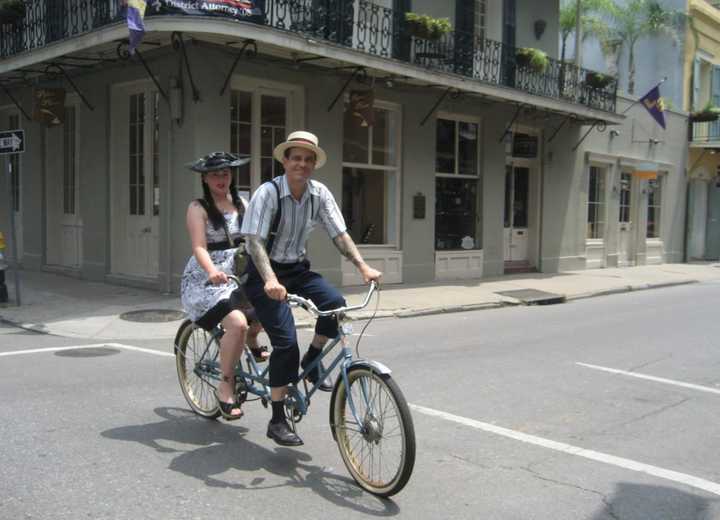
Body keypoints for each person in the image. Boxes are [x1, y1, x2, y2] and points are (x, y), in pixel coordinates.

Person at [241, 131, 382, 447]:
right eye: (296, 158)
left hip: (296, 269)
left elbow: (340, 234)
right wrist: (270, 280)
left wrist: (363, 266)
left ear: (313, 164)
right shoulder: (268, 193)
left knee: (336, 303)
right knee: (285, 342)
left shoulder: (319, 194)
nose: (301, 164)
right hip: (264, 272)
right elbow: (254, 242)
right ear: (285, 161)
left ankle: (313, 358)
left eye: (308, 159)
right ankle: (277, 419)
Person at [180, 152, 269, 421]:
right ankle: (225, 386)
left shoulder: (242, 202)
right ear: (205, 179)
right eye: (215, 174)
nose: (221, 178)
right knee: (237, 324)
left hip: (240, 269)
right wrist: (212, 271)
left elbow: (254, 240)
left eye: (226, 173)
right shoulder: (198, 208)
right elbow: (199, 247)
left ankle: (252, 338)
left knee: (273, 302)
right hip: (208, 278)